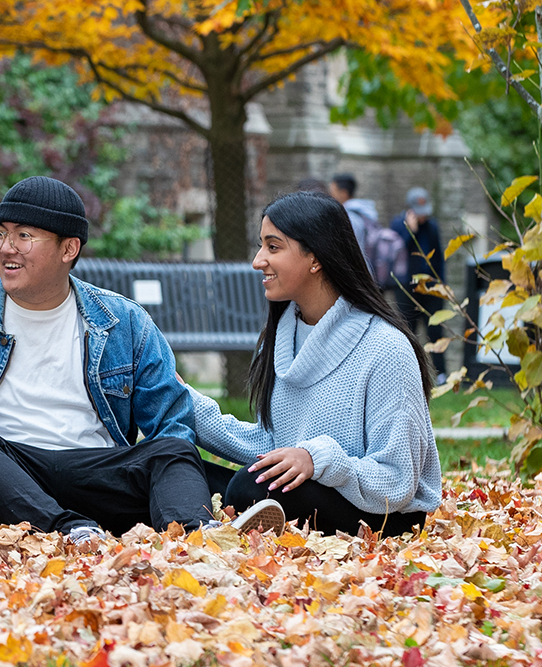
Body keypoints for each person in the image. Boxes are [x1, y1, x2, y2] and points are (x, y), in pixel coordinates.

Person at [0, 176, 253, 543]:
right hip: (0, 484)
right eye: (0, 234)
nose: (6, 248)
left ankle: (195, 538)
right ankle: (69, 532)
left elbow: (171, 422)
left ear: (68, 248)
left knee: (174, 448)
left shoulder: (124, 323)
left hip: (95, 475)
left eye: (24, 236)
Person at [190, 191, 441, 536]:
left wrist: (318, 459)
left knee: (249, 488)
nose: (258, 260)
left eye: (273, 247)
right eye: (261, 246)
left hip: (384, 514)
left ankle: (237, 519)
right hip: (306, 490)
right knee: (174, 464)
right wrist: (184, 403)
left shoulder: (386, 348)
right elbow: (272, 448)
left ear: (315, 258)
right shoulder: (280, 338)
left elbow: (397, 481)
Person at [391, 188, 446, 380]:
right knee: (408, 330)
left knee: (435, 329)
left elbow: (438, 257)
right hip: (407, 287)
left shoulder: (432, 227)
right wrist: (410, 232)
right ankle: (409, 372)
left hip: (430, 286)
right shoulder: (398, 225)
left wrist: (441, 284)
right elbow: (397, 254)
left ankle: (441, 373)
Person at [329, 173, 378, 267]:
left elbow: (350, 250)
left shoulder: (349, 217)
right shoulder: (365, 212)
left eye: (333, 192)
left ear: (343, 193)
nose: (330, 196)